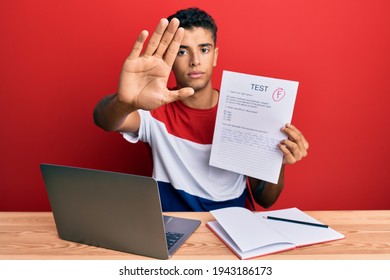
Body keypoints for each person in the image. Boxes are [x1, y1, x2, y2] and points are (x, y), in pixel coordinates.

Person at [93, 7, 309, 211]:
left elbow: (265, 199)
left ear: (214, 56)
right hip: (175, 228)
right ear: (169, 58)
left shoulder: (244, 110)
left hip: (236, 227)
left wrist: (277, 159)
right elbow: (103, 120)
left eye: (204, 50)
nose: (195, 61)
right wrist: (126, 102)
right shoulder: (154, 108)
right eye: (182, 52)